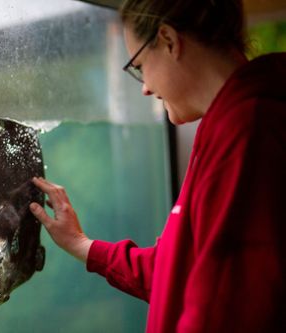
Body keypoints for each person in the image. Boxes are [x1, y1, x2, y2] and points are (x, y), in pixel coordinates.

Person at [29, 0, 286, 332]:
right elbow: (179, 274)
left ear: (169, 41)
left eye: (138, 65)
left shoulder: (247, 129)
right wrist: (81, 243)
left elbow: (229, 306)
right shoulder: (228, 125)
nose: (146, 87)